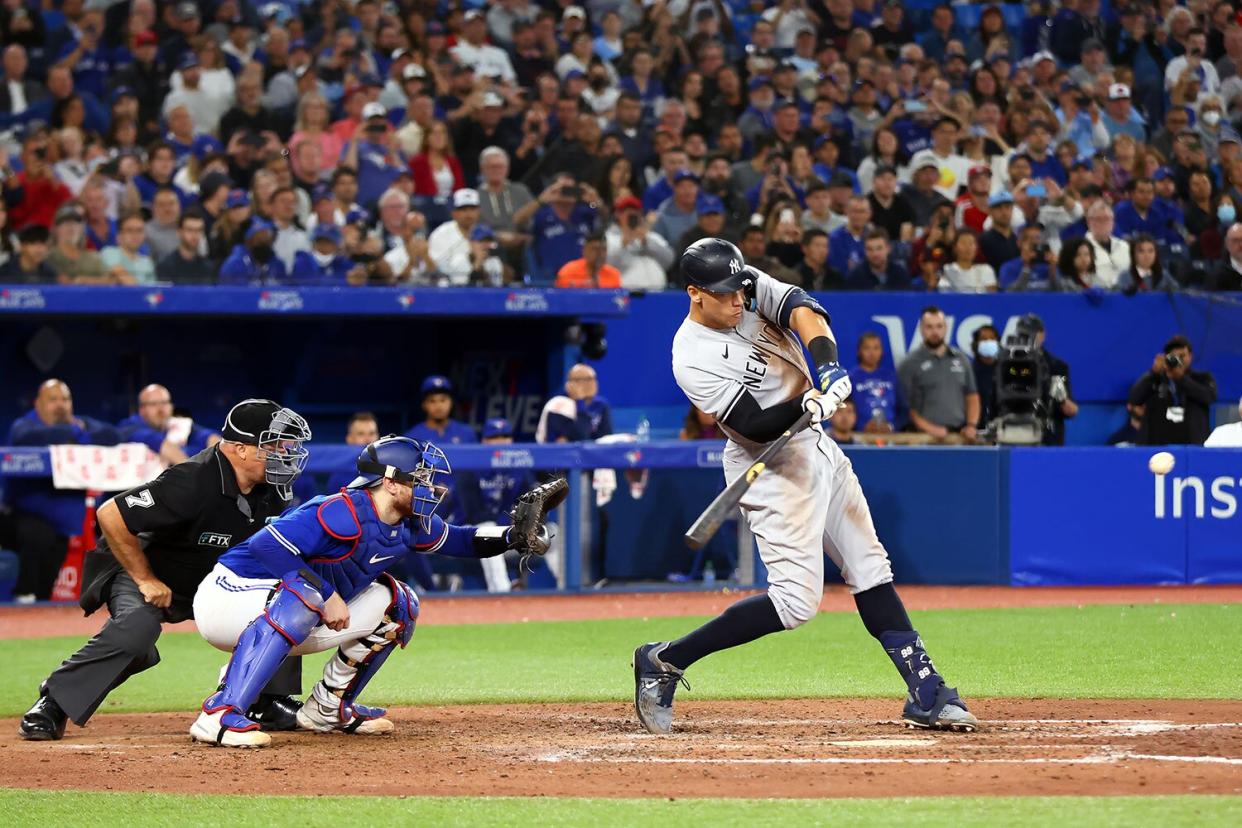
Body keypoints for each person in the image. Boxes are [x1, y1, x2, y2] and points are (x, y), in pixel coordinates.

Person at [634, 238, 977, 736]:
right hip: (769, 465)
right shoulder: (691, 356)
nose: (738, 300)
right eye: (725, 293)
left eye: (740, 288)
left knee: (869, 566)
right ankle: (665, 659)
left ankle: (926, 690)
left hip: (815, 446)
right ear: (695, 293)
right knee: (796, 603)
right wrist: (803, 406)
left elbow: (801, 309)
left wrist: (829, 366)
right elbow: (751, 425)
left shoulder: (746, 286)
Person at [187, 436, 557, 746]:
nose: (431, 487)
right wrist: (324, 594)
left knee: (399, 603)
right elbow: (264, 547)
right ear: (391, 482)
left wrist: (512, 538)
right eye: (421, 478)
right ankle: (219, 713)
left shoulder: (409, 522)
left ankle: (327, 709)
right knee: (309, 596)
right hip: (227, 596)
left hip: (283, 607)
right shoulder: (338, 511)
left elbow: (461, 540)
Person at [18, 400, 311, 742]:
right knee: (137, 631)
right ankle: (54, 701)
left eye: (287, 446)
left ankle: (266, 699)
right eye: (275, 446)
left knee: (283, 600)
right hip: (147, 570)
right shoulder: (191, 479)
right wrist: (145, 578)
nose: (286, 454)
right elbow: (111, 514)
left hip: (213, 580)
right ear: (240, 449)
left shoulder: (275, 489)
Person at [5, 380, 119, 601]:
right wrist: (75, 432)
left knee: (51, 560)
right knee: (38, 533)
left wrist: (77, 431)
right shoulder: (25, 425)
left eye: (65, 400)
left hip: (61, 526)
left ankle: (39, 606)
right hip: (17, 517)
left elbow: (112, 435)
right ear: (38, 403)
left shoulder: (80, 424)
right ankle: (23, 594)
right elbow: (27, 439)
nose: (61, 405)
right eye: (53, 399)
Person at [897, 307, 981, 443]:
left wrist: (971, 425)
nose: (935, 332)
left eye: (939, 326)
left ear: (946, 328)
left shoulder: (961, 359)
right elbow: (906, 407)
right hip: (923, 437)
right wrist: (930, 428)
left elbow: (972, 396)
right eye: (929, 327)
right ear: (921, 329)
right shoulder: (909, 364)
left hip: (958, 436)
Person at [1127, 336, 1218, 445]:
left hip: (1192, 446)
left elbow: (1209, 397)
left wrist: (1181, 379)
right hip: (1156, 446)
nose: (1179, 360)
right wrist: (1153, 373)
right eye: (1174, 357)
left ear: (1190, 356)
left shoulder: (1202, 378)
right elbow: (1134, 399)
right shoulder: (1155, 379)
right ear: (1166, 358)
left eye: (1182, 356)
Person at [117, 384, 220, 465]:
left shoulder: (175, 424)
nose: (161, 409)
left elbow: (209, 436)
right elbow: (158, 442)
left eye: (165, 403)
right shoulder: (129, 426)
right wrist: (195, 477)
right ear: (142, 409)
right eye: (153, 404)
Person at [605, 195, 674, 290]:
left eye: (635, 211)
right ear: (618, 215)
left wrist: (646, 243)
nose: (632, 214)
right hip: (626, 292)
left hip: (658, 292)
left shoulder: (652, 237)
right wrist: (623, 244)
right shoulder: (609, 238)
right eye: (626, 211)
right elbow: (606, 266)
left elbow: (669, 260)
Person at [536, 363, 613, 443]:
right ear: (573, 383)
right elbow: (581, 436)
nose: (594, 383)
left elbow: (605, 439)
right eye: (589, 379)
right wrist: (579, 402)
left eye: (594, 378)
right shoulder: (558, 405)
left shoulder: (601, 404)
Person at [405, 375, 477, 447]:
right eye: (432, 401)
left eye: (443, 400)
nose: (438, 406)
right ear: (424, 405)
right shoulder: (412, 437)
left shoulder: (467, 433)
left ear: (451, 402)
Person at [850, 332, 900, 433]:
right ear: (859, 351)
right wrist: (861, 426)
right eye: (867, 348)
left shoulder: (891, 377)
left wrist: (892, 426)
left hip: (891, 437)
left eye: (876, 348)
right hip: (860, 436)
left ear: (881, 351)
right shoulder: (851, 378)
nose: (871, 353)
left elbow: (903, 410)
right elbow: (844, 411)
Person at [218, 219, 288, 285]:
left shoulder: (277, 264)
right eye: (259, 237)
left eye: (267, 237)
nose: (264, 241)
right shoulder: (234, 265)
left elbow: (286, 293)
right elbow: (227, 295)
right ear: (248, 241)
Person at [156, 211, 216, 284]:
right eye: (189, 230)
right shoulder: (165, 265)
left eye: (199, 230)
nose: (195, 235)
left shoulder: (208, 267)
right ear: (179, 232)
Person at [845, 229, 911, 291]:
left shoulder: (900, 275)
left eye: (879, 248)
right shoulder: (855, 278)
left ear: (888, 249)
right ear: (865, 251)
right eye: (870, 249)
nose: (875, 254)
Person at [99, 213, 156, 284]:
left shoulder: (147, 262)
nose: (135, 235)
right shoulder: (109, 252)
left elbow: (152, 292)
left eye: (139, 230)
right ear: (119, 237)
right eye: (129, 230)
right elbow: (122, 276)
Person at [556, 230, 621, 288]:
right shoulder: (568, 271)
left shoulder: (613, 274)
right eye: (594, 249)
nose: (599, 253)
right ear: (584, 251)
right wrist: (583, 285)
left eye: (603, 249)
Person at [971, 325, 1001, 430]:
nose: (988, 342)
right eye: (984, 339)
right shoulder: (969, 372)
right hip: (976, 429)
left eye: (992, 339)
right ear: (976, 344)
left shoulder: (1005, 370)